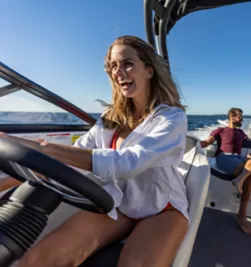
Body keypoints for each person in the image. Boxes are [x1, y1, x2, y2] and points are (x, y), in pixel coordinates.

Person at [0, 35, 189, 267]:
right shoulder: (109, 120)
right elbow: (69, 161)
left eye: (127, 63)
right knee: (37, 260)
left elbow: (128, 163)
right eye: (113, 66)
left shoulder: (172, 117)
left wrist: (41, 148)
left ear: (149, 70)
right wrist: (7, 181)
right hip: (118, 204)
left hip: (162, 207)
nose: (119, 72)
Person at [201, 107, 251, 237]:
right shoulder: (220, 130)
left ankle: (239, 180)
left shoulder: (241, 132)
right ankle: (241, 216)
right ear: (232, 117)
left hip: (239, 158)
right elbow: (206, 143)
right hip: (223, 157)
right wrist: (191, 142)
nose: (242, 119)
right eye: (240, 117)